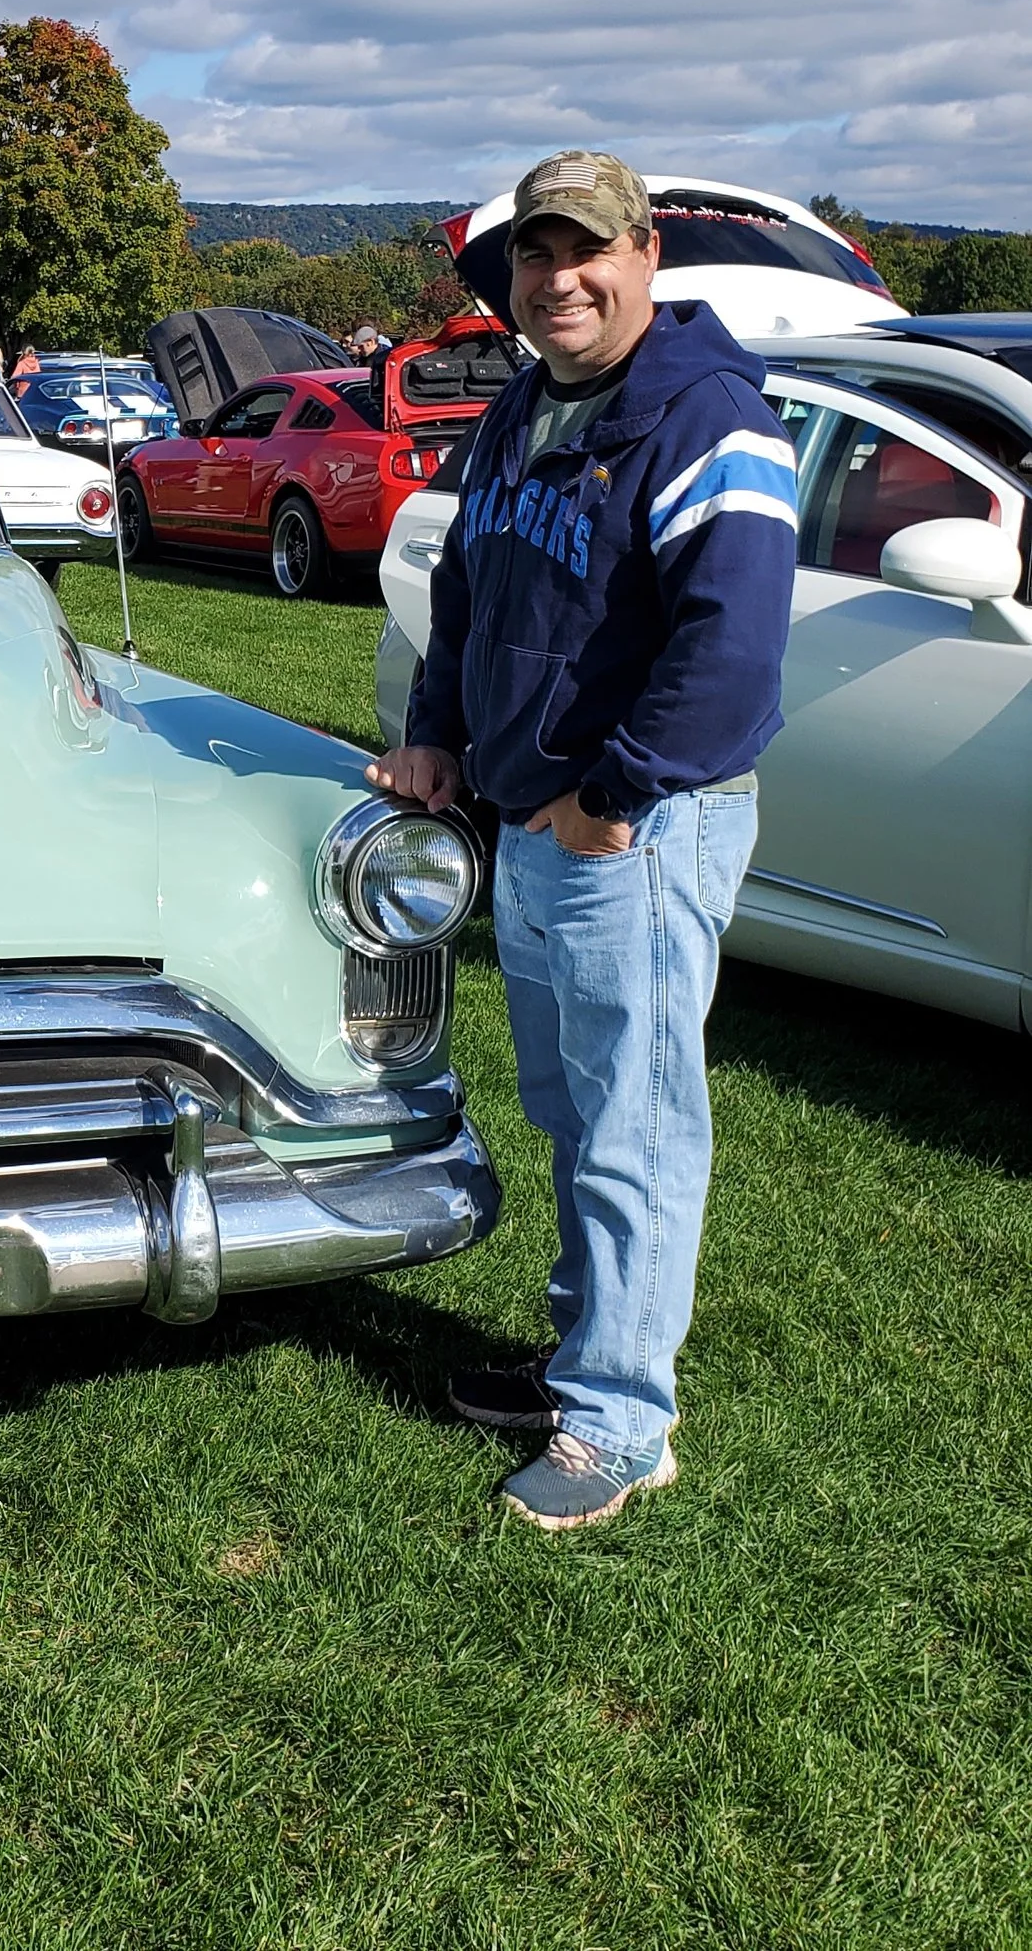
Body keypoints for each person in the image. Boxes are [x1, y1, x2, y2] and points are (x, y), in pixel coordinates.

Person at [367, 150, 794, 1532]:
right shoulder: (522, 414)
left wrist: (616, 797)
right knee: (570, 1113)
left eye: (585, 251)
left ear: (644, 255)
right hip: (537, 819)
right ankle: (577, 1364)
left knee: (636, 1129)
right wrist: (437, 729)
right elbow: (468, 594)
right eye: (535, 258)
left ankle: (620, 1423)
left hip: (636, 833)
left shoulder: (703, 415)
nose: (559, 279)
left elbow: (730, 648)